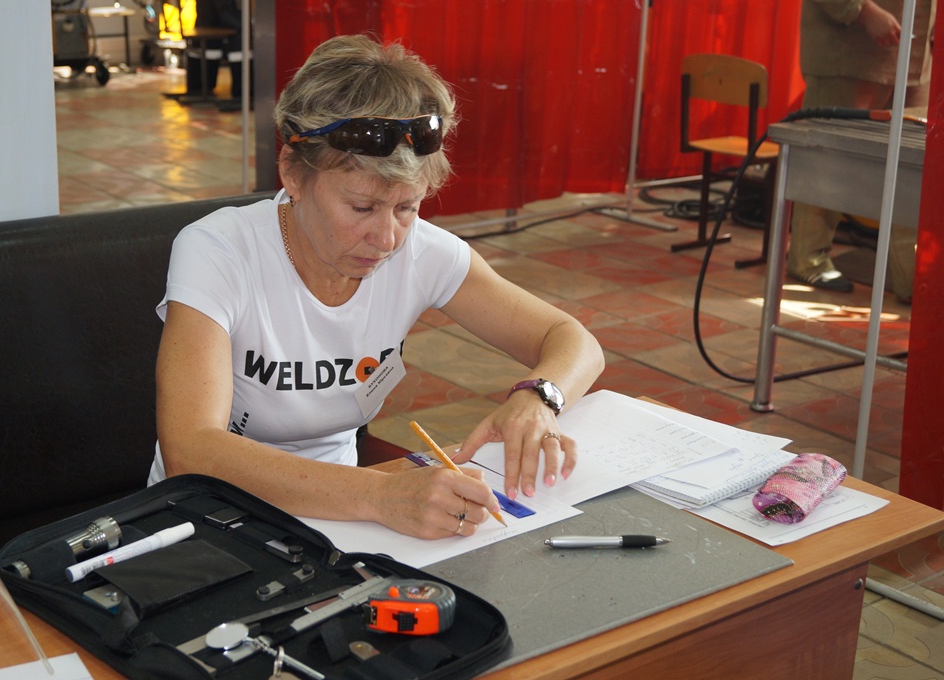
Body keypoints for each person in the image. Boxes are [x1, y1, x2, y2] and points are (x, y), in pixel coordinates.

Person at [149, 35, 605, 540]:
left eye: (407, 207)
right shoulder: (219, 251)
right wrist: (380, 496)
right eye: (362, 208)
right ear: (293, 175)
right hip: (208, 517)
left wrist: (539, 397)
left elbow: (574, 341)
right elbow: (191, 450)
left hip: (345, 517)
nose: (387, 239)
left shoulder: (422, 252)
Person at [788, 0, 935, 298]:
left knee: (914, 168)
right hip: (852, 50)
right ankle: (808, 259)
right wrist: (862, 10)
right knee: (829, 158)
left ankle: (914, 278)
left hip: (918, 54)